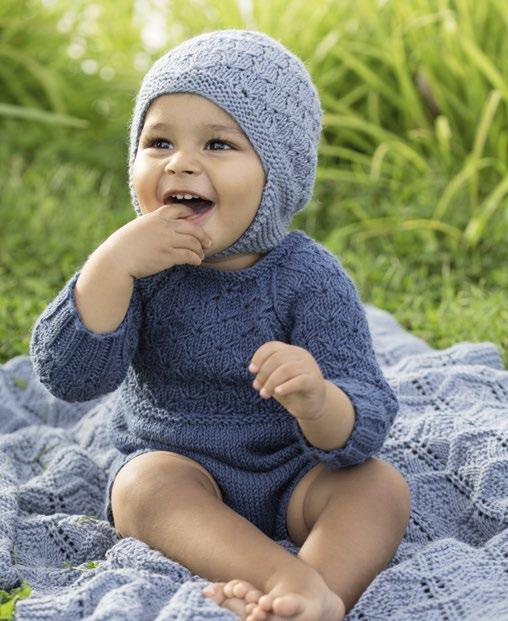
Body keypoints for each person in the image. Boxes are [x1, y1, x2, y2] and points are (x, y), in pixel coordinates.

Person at [30, 29, 411, 621]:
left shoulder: (308, 276)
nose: (181, 162)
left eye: (218, 144)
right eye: (158, 142)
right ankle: (287, 577)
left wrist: (317, 399)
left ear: (276, 173)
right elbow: (70, 377)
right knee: (139, 487)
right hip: (181, 468)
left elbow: (363, 423)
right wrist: (109, 267)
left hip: (294, 472)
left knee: (380, 487)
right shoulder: (141, 264)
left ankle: (318, 595)